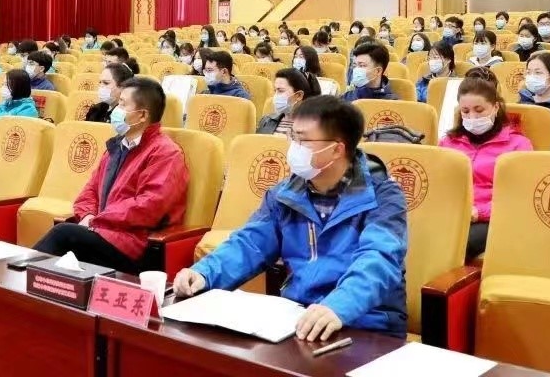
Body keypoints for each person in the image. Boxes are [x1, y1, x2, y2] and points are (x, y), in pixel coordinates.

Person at [174, 95, 408, 340]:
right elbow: (250, 244)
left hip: (366, 323)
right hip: (299, 318)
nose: (294, 148)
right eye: (292, 137)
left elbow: (379, 258)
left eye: (303, 140)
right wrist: (205, 273)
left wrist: (338, 306)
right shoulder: (285, 194)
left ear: (337, 149)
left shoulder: (383, 196)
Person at [34, 78, 189, 274]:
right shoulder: (115, 147)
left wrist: (98, 220)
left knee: (64, 234)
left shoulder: (166, 153)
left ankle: (19, 275)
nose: (116, 109)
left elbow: (149, 206)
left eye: (123, 104)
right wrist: (88, 215)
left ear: (142, 115)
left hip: (134, 243)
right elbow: (90, 191)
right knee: (62, 252)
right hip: (103, 233)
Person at [439, 69, 532, 260]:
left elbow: (518, 196)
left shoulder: (518, 144)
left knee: (455, 243)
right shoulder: (448, 142)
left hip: (493, 218)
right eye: (465, 111)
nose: (472, 117)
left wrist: (478, 212)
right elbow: (438, 184)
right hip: (450, 213)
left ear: (495, 107)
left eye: (479, 110)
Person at [257, 68, 318, 135]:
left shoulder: (316, 127)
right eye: (275, 91)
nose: (275, 96)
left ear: (299, 95)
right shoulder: (266, 120)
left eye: (280, 91)